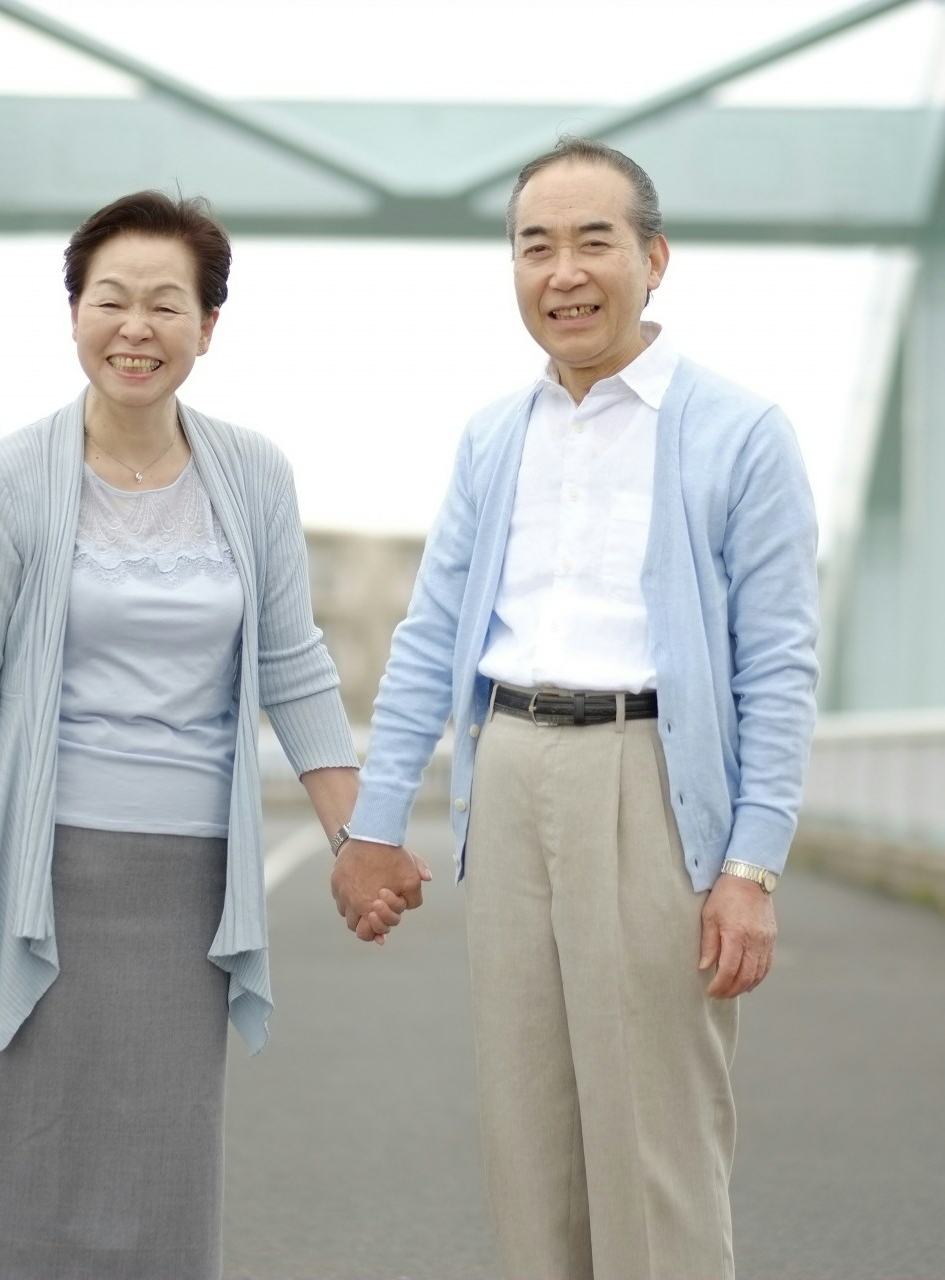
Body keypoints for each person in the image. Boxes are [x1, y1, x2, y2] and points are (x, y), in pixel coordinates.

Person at [330, 138, 820, 1280]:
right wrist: (374, 818)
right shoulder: (495, 435)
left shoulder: (740, 432)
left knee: (653, 1139)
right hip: (506, 774)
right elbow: (429, 633)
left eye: (593, 240)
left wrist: (753, 865)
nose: (563, 270)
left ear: (654, 258)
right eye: (533, 245)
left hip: (646, 776)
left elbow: (782, 663)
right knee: (527, 1129)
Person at [0, 190, 365, 1280]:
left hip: (187, 880)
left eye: (164, 304)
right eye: (110, 300)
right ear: (75, 313)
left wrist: (357, 840)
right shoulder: (4, 479)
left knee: (159, 1163)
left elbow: (294, 665)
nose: (134, 327)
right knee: (10, 1153)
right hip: (34, 868)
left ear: (207, 326)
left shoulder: (254, 476)